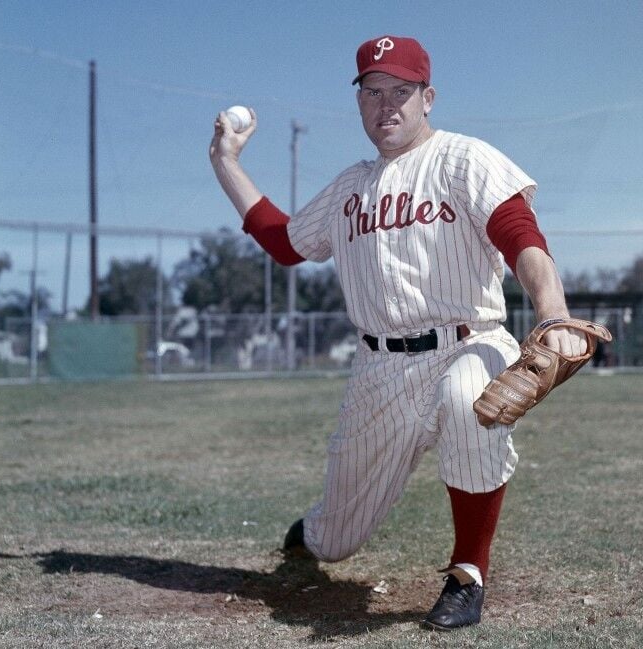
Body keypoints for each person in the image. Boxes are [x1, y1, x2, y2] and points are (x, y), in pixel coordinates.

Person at [209, 35, 587, 631]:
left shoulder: (465, 160)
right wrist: (226, 163)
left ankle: (467, 574)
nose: (387, 105)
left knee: (471, 406)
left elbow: (522, 238)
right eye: (373, 91)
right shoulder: (348, 188)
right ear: (359, 102)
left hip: (471, 340)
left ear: (428, 97)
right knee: (336, 541)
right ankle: (312, 531)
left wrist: (554, 312)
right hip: (379, 368)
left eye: (402, 92)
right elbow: (284, 243)